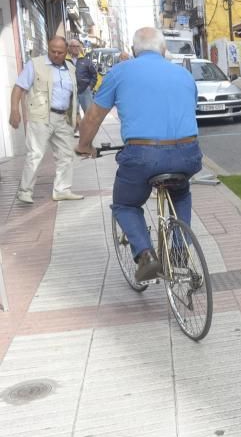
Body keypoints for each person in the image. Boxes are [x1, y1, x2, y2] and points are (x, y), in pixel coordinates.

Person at [75, 27, 202, 283]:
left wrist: (84, 145)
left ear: (133, 51)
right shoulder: (184, 75)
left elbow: (93, 116)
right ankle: (178, 250)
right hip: (188, 153)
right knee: (181, 193)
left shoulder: (120, 72)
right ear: (164, 50)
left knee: (126, 204)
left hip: (144, 155)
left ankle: (145, 255)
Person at [8, 35, 82, 204]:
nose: (55, 55)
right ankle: (25, 191)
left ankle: (62, 189)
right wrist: (14, 109)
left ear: (66, 52)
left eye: (60, 52)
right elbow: (19, 87)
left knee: (66, 155)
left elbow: (73, 94)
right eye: (52, 51)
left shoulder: (70, 67)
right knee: (35, 154)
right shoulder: (35, 64)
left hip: (63, 118)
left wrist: (76, 115)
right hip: (41, 117)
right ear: (48, 49)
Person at [68, 38, 98, 118]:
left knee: (90, 116)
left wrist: (90, 87)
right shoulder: (65, 61)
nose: (76, 48)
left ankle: (88, 130)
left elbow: (94, 75)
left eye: (78, 46)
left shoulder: (86, 60)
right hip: (71, 92)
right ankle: (77, 129)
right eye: (73, 46)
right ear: (69, 48)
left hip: (85, 91)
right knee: (74, 116)